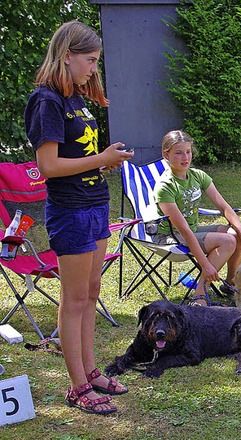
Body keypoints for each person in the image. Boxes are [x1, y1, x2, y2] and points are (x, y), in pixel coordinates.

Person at [24, 21, 133, 415]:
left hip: (95, 203)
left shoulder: (78, 98)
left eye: (96, 61)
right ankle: (76, 387)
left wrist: (104, 162)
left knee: (90, 294)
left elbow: (76, 156)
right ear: (66, 55)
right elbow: (48, 165)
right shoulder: (46, 101)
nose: (93, 69)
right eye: (89, 61)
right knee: (73, 300)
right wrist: (101, 159)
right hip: (69, 210)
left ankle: (90, 371)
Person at [153, 130, 241, 305]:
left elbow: (224, 207)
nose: (185, 157)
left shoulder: (197, 176)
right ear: (166, 154)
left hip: (191, 230)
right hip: (170, 236)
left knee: (236, 234)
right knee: (228, 241)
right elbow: (184, 230)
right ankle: (200, 294)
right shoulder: (165, 187)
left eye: (188, 152)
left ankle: (230, 281)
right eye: (178, 153)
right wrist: (206, 265)